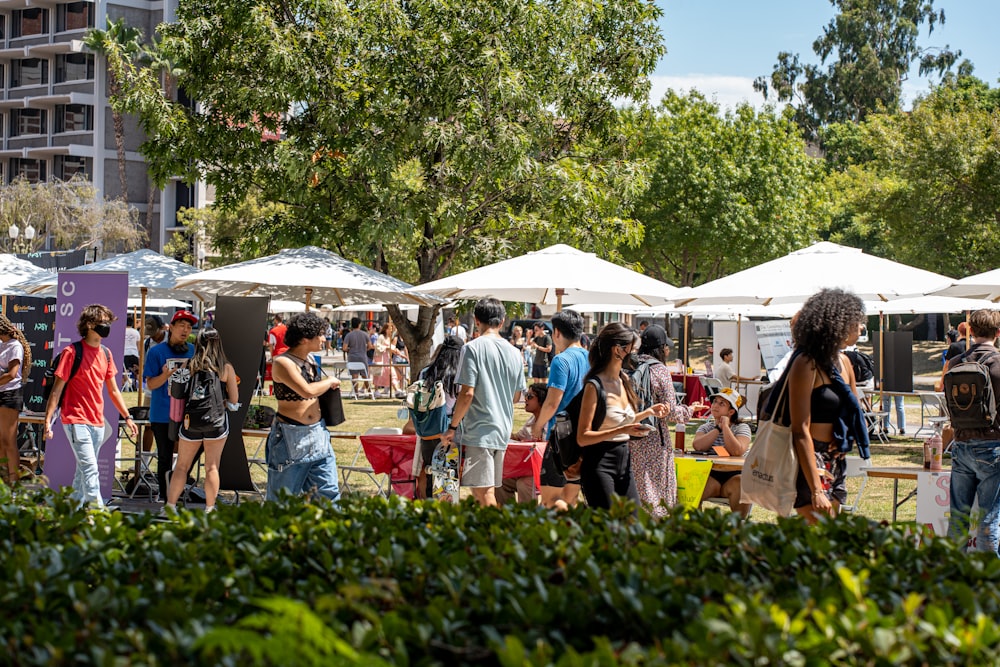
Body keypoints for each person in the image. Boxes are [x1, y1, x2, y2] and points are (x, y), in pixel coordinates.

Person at [764, 288, 870, 525]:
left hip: (835, 455)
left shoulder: (844, 361)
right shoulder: (806, 363)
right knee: (825, 532)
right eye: (856, 321)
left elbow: (854, 410)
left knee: (828, 538)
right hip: (810, 458)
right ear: (838, 323)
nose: (860, 327)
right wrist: (815, 489)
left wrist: (845, 437)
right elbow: (800, 429)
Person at [43, 305, 138, 507]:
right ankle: (99, 516)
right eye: (102, 322)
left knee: (82, 471)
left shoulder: (106, 354)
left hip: (97, 422)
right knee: (90, 469)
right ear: (89, 325)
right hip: (75, 419)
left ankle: (71, 513)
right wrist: (48, 420)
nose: (106, 326)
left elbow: (113, 391)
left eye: (108, 322)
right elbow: (56, 390)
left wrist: (128, 417)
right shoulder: (71, 352)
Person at [439, 298, 525, 507]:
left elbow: (467, 393)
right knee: (486, 491)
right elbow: (516, 396)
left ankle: (497, 537)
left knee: (482, 493)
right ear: (503, 321)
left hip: (480, 430)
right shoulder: (515, 352)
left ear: (477, 320)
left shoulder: (472, 348)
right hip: (502, 428)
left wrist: (452, 426)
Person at [576, 322, 670, 510]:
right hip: (599, 462)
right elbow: (582, 437)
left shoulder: (624, 380)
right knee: (609, 527)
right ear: (617, 350)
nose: (636, 354)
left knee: (633, 523)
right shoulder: (594, 386)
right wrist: (623, 430)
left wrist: (648, 412)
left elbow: (622, 419)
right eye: (633, 349)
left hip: (624, 461)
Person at [266, 312, 341, 502]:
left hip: (318, 435)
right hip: (290, 436)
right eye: (321, 334)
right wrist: (330, 380)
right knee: (281, 500)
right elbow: (307, 391)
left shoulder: (310, 361)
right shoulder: (283, 362)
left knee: (328, 495)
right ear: (306, 338)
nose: (324, 339)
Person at [163, 329, 240, 513]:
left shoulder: (189, 365)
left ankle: (170, 505)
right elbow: (234, 401)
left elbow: (174, 392)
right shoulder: (226, 368)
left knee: (182, 466)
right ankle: (209, 507)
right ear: (218, 343)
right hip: (216, 423)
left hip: (191, 422)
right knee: (212, 466)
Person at [946, 309, 1000, 556]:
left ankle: (951, 577)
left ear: (971, 332)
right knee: (989, 518)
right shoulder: (998, 363)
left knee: (958, 517)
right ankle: (988, 581)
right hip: (992, 446)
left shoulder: (957, 362)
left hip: (961, 444)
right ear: (998, 333)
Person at [629, 324, 693, 517]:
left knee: (636, 489)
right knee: (657, 492)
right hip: (655, 439)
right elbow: (671, 412)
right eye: (666, 347)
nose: (668, 350)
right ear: (661, 348)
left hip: (627, 435)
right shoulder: (660, 370)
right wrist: (689, 410)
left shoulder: (628, 366)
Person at [532, 310, 591, 510]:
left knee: (550, 501)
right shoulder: (590, 358)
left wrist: (538, 425)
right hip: (583, 436)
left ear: (556, 332)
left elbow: (552, 402)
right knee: (570, 499)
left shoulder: (561, 360)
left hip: (560, 439)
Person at [144, 310, 197, 501]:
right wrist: (165, 375)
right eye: (181, 325)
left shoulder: (194, 350)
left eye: (189, 327)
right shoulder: (156, 352)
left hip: (189, 415)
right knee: (165, 456)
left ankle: (177, 487)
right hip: (162, 413)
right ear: (171, 328)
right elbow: (150, 384)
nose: (185, 330)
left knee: (190, 455)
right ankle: (165, 495)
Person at [413, 335, 464, 499]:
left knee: (430, 473)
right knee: (449, 477)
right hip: (450, 427)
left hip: (428, 428)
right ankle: (446, 513)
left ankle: (429, 511)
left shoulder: (425, 372)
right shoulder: (459, 375)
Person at [693, 388, 752, 517]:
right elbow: (698, 446)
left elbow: (737, 451)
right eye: (715, 402)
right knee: (690, 486)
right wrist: (718, 428)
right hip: (711, 475)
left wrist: (725, 427)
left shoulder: (742, 427)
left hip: (735, 475)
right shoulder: (706, 427)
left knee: (742, 484)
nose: (715, 406)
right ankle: (695, 527)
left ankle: (738, 528)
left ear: (731, 412)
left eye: (722, 404)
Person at [499, 382, 549, 505]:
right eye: (526, 395)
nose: (525, 399)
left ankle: (527, 520)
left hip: (544, 471)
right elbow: (518, 438)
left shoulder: (549, 422)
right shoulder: (532, 420)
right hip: (526, 470)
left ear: (542, 400)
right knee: (500, 480)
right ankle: (506, 517)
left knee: (524, 483)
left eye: (530, 396)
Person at [0, 314, 30, 485]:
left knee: (9, 440)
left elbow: (12, 374)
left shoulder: (15, 346)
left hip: (10, 394)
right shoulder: (1, 344)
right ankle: (3, 482)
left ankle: (14, 485)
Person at [342, 317, 374, 397]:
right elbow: (370, 346)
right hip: (362, 356)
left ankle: (356, 393)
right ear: (359, 324)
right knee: (365, 375)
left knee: (354, 375)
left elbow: (344, 348)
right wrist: (364, 349)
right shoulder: (365, 334)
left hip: (352, 357)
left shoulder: (349, 335)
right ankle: (370, 392)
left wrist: (351, 350)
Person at [373, 321, 398, 398]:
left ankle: (396, 389)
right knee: (378, 373)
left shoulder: (389, 338)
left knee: (391, 372)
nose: (391, 330)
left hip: (387, 358)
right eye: (389, 328)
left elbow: (391, 347)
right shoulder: (381, 337)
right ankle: (376, 390)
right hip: (381, 358)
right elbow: (377, 346)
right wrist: (386, 348)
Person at [123, 315, 140, 383]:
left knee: (125, 370)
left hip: (125, 353)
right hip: (134, 353)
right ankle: (139, 386)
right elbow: (138, 345)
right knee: (137, 371)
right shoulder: (136, 332)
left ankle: (127, 386)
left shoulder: (123, 331)